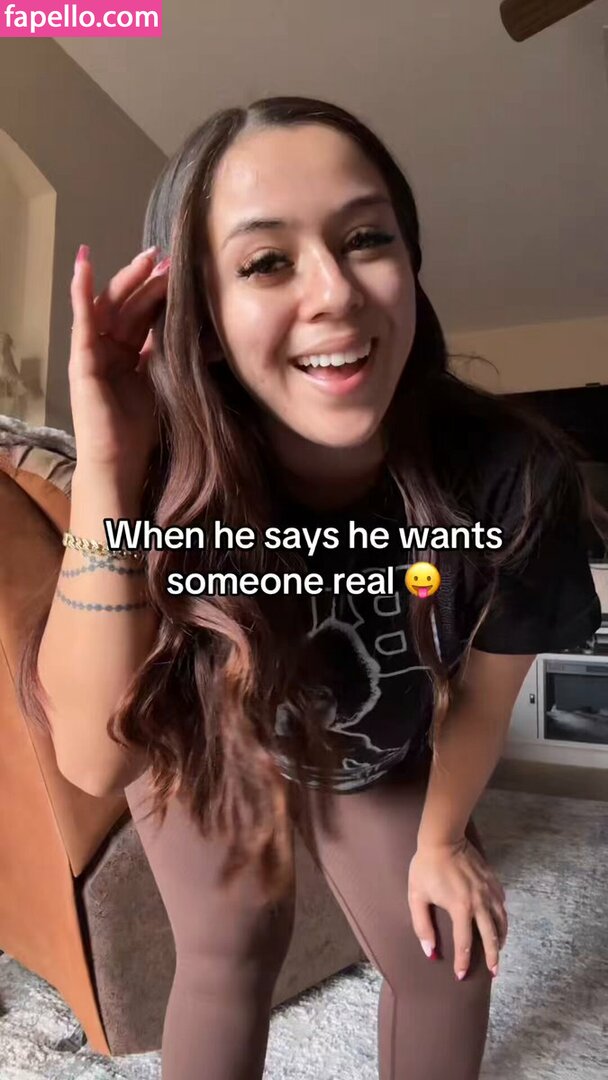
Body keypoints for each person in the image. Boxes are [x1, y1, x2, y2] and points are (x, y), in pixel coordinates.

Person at [21, 96, 604, 1080]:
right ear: (202, 314)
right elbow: (89, 761)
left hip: (372, 740)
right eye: (266, 262)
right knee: (230, 948)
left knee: (448, 960)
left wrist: (440, 842)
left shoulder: (513, 479)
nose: (335, 293)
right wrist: (111, 470)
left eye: (366, 239)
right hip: (207, 727)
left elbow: (482, 694)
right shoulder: (160, 467)